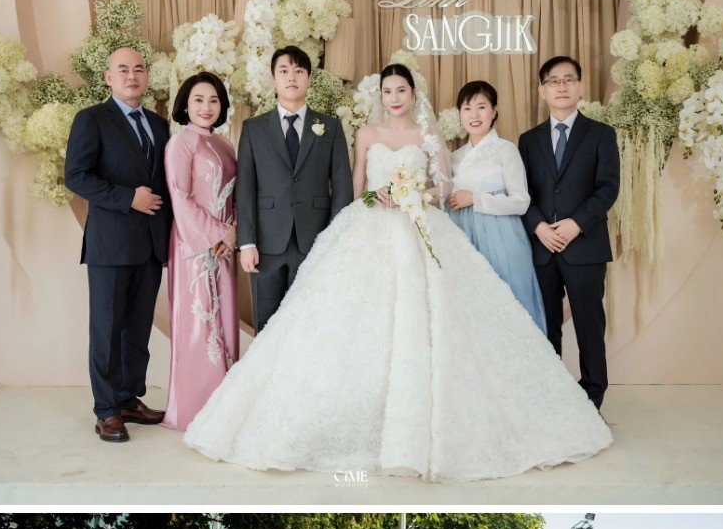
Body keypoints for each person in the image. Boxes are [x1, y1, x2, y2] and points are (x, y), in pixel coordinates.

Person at [185, 62, 613, 481]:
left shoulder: (427, 135)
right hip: (370, 229)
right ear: (381, 96)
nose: (394, 98)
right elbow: (355, 189)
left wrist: (416, 192)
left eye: (401, 91)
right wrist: (379, 197)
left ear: (413, 94)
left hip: (421, 226)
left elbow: (443, 186)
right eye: (387, 91)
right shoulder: (366, 134)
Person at [64, 45, 172, 443]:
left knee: (137, 330)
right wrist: (128, 198)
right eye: (123, 70)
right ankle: (106, 410)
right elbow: (76, 175)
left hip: (150, 245)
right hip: (110, 244)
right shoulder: (91, 120)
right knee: (107, 330)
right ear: (109, 78)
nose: (132, 76)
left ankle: (128, 399)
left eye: (139, 69)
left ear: (147, 77)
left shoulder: (160, 126)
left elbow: (167, 185)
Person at [521, 56, 619, 408]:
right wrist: (538, 227)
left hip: (586, 247)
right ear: (542, 90)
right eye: (553, 81)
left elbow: (608, 188)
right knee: (546, 327)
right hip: (543, 249)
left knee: (589, 326)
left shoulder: (601, 135)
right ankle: (552, 395)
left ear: (580, 87)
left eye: (568, 80)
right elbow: (523, 194)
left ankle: (593, 397)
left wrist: (576, 224)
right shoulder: (528, 141)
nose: (561, 87)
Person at [236, 47, 353, 331]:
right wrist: (247, 242)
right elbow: (246, 187)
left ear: (309, 78)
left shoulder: (330, 127)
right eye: (284, 71)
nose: (292, 77)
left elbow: (342, 187)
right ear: (274, 79)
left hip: (313, 242)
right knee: (266, 324)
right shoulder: (254, 128)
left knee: (309, 324)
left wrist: (332, 240)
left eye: (299, 71)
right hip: (266, 244)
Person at [161, 71, 241, 429]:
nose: (206, 107)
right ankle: (194, 410)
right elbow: (180, 196)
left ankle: (224, 405)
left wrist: (234, 233)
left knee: (224, 321)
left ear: (222, 105)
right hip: (195, 248)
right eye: (198, 100)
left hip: (225, 247)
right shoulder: (181, 143)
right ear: (185, 104)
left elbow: (236, 195)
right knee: (199, 323)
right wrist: (218, 234)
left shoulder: (225, 144)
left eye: (213, 100)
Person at [449, 80, 545, 331]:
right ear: (459, 113)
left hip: (503, 237)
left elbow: (521, 202)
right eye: (467, 108)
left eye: (481, 107)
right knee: (474, 312)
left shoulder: (506, 150)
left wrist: (476, 199)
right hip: (464, 236)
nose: (474, 115)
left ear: (494, 111)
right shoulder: (454, 157)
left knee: (511, 306)